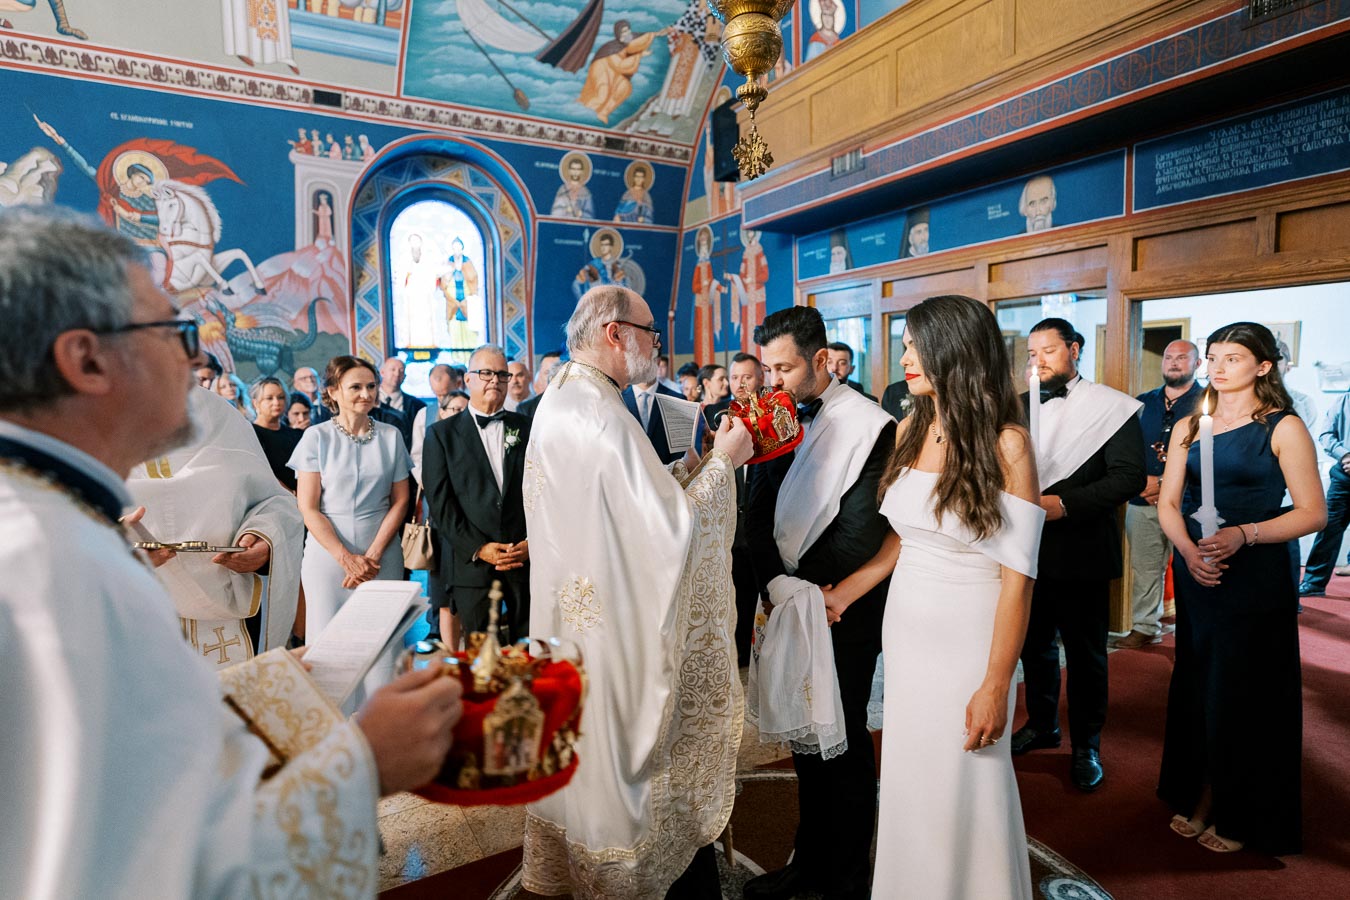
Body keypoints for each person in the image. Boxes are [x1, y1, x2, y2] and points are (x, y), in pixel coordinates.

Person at [0, 204, 460, 897]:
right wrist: (366, 761)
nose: (194, 356)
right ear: (87, 360)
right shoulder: (52, 564)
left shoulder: (49, 523)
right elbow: (149, 867)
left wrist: (267, 685)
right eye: (170, 330)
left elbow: (125, 759)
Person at [522, 284, 754, 898]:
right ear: (614, 333)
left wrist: (687, 470)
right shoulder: (601, 414)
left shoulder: (565, 398)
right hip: (616, 632)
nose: (659, 342)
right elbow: (668, 535)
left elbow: (625, 510)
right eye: (650, 330)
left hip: (576, 628)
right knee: (630, 760)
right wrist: (726, 462)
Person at [820, 295, 1043, 899]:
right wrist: (847, 591)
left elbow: (1017, 578)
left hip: (969, 632)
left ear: (956, 351)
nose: (905, 356)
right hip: (908, 629)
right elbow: (905, 536)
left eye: (917, 345)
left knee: (965, 773)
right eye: (907, 344)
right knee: (912, 774)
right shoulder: (909, 427)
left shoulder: (1008, 445)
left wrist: (997, 683)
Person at [743, 306, 896, 900]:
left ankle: (846, 879)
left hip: (842, 609)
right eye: (769, 368)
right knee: (806, 746)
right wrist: (775, 585)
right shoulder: (772, 416)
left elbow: (861, 529)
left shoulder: (870, 425)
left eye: (784, 368)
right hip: (788, 601)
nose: (774, 380)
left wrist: (811, 591)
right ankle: (809, 866)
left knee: (844, 743)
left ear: (822, 359)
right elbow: (754, 511)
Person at [1156, 322, 1325, 854]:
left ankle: (1243, 808)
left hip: (1254, 573)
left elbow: (1313, 513)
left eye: (1232, 357)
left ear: (1264, 366)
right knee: (1200, 681)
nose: (1218, 367)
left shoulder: (1282, 426)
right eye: (1213, 357)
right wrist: (1186, 552)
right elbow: (1167, 502)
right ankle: (1202, 790)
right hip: (1197, 568)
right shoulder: (1190, 423)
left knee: (1246, 691)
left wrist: (1243, 535)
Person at [1011, 319, 1145, 793]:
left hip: (1084, 547)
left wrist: (1064, 504)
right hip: (1025, 547)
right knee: (1034, 646)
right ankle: (1042, 723)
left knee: (1087, 655)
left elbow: (1128, 476)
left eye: (1048, 351)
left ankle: (1087, 743)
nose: (1038, 361)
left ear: (1074, 349)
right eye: (1032, 353)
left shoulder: (1112, 408)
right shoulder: (1020, 406)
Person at [128, 380, 303, 666]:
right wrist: (112, 544)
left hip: (227, 610)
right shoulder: (79, 420)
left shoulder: (217, 414)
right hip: (133, 610)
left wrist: (264, 540)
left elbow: (274, 500)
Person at [288, 355, 412, 708]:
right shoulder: (316, 438)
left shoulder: (390, 436)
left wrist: (372, 555)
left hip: (383, 554)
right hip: (328, 560)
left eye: (370, 386)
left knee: (382, 649)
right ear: (333, 392)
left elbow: (400, 501)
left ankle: (381, 737)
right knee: (331, 655)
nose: (365, 394)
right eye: (355, 387)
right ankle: (335, 741)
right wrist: (346, 558)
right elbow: (308, 506)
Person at [424, 345, 531, 641]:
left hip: (522, 558)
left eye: (501, 374)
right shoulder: (441, 435)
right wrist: (479, 548)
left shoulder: (528, 428)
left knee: (529, 653)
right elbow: (441, 504)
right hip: (472, 564)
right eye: (485, 373)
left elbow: (544, 490)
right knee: (481, 661)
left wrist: (530, 542)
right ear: (467, 380)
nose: (494, 380)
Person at [1116, 340, 1202, 649]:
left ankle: (1192, 629)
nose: (1174, 363)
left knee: (1190, 568)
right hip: (1142, 499)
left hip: (1190, 504)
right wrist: (1140, 482)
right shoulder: (1143, 402)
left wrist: (1164, 482)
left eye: (1182, 358)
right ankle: (1144, 626)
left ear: (1197, 364)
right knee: (1145, 567)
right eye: (1169, 357)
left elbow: (1210, 457)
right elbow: (1127, 450)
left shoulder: (1209, 403)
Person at [1299, 390, 1350, 595]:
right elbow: (1326, 435)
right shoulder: (1344, 400)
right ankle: (1314, 582)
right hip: (1344, 476)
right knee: (1329, 528)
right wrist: (1345, 455)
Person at [578, 21, 669, 125]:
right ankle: (585, 112)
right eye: (624, 31)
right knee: (602, 94)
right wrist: (639, 55)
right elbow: (620, 66)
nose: (628, 33)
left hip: (615, 73)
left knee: (624, 87)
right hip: (602, 71)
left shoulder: (627, 41)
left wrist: (656, 34)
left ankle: (604, 112)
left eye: (628, 30)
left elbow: (640, 38)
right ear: (618, 33)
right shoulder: (611, 48)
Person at [623, 368, 688, 465]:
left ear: (656, 360)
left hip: (668, 473)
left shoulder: (676, 399)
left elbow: (680, 449)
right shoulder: (619, 399)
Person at [252, 376, 305, 492]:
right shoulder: (250, 433)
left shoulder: (296, 434)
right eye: (269, 398)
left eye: (281, 397)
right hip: (273, 499)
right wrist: (290, 494)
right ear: (255, 403)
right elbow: (261, 473)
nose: (276, 402)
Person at [378, 355, 424, 449]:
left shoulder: (417, 406)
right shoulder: (368, 401)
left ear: (405, 376)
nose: (397, 374)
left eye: (401, 371)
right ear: (382, 372)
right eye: (393, 369)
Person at [551, 152, 594, 219]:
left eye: (578, 169)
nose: (575, 172)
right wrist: (565, 210)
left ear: (582, 171)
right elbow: (555, 212)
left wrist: (581, 214)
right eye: (573, 169)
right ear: (569, 170)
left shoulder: (585, 192)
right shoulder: (563, 189)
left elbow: (590, 215)